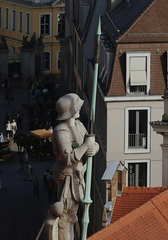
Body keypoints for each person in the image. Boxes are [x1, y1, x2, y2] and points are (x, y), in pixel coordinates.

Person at [52, 93, 99, 232]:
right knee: (66, 217)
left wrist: (93, 148)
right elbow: (68, 158)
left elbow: (92, 143)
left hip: (77, 174)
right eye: (76, 107)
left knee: (72, 216)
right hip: (67, 176)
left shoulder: (78, 124)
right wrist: (85, 146)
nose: (79, 109)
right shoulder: (61, 130)